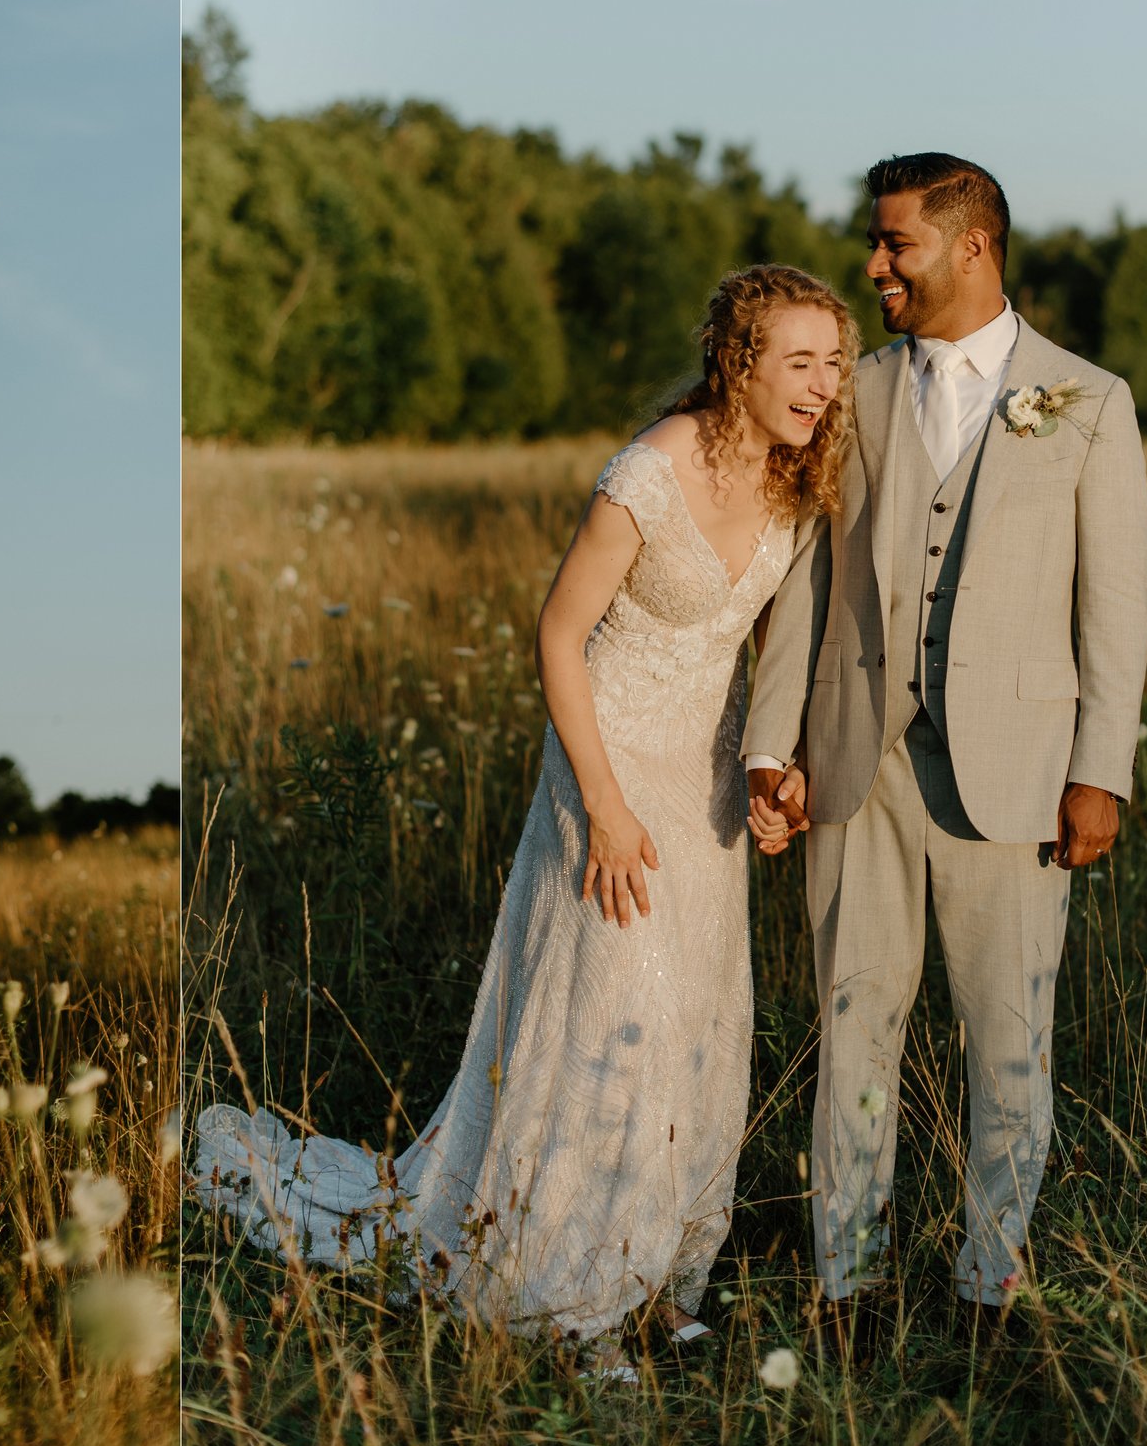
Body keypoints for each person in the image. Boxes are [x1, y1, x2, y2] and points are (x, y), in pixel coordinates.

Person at [194, 265, 857, 1378]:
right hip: (604, 765)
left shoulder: (800, 480)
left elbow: (776, 653)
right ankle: (575, 1291)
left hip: (702, 783)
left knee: (693, 1012)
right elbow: (558, 637)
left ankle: (658, 1277)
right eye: (800, 361)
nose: (824, 383)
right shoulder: (649, 472)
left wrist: (773, 769)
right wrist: (601, 806)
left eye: (834, 362)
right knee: (612, 1016)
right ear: (738, 363)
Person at [746, 153, 1147, 1338]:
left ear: (969, 244)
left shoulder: (1087, 400)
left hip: (1020, 777)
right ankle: (847, 1285)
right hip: (854, 763)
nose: (872, 266)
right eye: (873, 245)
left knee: (1007, 1046)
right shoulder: (852, 394)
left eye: (893, 245)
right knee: (851, 1025)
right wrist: (771, 743)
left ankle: (988, 1288)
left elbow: (1113, 606)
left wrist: (1098, 770)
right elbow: (805, 583)